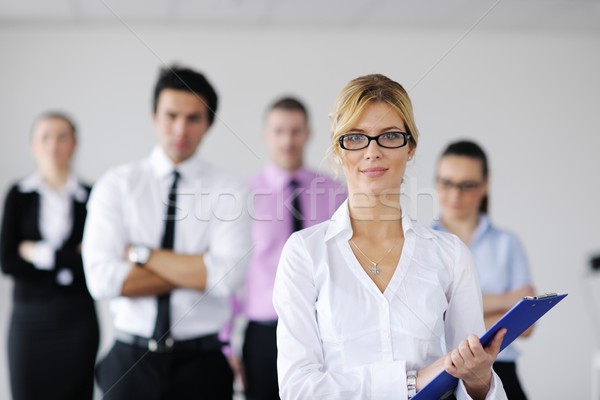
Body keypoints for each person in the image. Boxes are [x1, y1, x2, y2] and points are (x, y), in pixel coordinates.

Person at [273, 74, 508, 400]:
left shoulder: (451, 255)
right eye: (356, 137)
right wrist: (410, 382)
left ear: (411, 147)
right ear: (339, 149)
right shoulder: (305, 253)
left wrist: (480, 380)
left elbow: (473, 381)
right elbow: (298, 389)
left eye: (390, 136)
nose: (372, 151)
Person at [82, 66, 252, 399]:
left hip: (202, 365)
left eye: (193, 118)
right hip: (130, 362)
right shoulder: (116, 185)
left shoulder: (231, 190)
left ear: (209, 123)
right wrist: (198, 267)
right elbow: (101, 280)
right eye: (171, 115)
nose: (180, 129)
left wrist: (140, 255)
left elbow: (227, 278)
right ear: (153, 117)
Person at [240, 97, 346, 399]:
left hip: (325, 331)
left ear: (308, 133)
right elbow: (234, 271)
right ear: (265, 134)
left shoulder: (335, 192)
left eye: (296, 130)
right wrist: (224, 343)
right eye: (279, 130)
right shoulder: (244, 195)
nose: (288, 140)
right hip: (264, 333)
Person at [0, 112, 99, 400]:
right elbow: (8, 261)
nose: (53, 145)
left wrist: (39, 253)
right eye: (45, 137)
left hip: (77, 319)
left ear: (74, 144)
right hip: (31, 319)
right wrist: (69, 259)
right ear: (34, 145)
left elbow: (94, 261)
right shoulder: (19, 195)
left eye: (61, 137)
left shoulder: (92, 196)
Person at [433, 140, 534, 399]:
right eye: (446, 183)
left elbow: (526, 325)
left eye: (467, 185)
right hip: (443, 373)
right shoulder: (422, 246)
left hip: (502, 370)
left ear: (485, 186)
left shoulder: (507, 244)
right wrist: (504, 302)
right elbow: (429, 321)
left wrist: (452, 318)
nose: (455, 195)